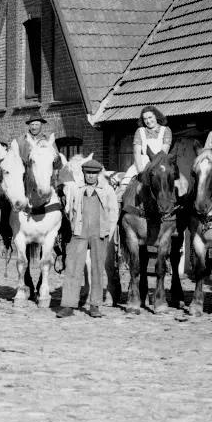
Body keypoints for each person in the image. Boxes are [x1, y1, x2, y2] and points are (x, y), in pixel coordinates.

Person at [58, 160, 118, 318]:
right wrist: (74, 227)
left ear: (98, 174)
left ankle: (95, 305)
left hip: (99, 232)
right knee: (72, 268)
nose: (90, 176)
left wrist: (108, 233)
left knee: (97, 269)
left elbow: (113, 212)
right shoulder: (76, 189)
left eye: (93, 173)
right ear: (83, 173)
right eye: (88, 173)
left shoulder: (107, 190)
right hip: (79, 232)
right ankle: (68, 305)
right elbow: (69, 210)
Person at [131, 105, 172, 173]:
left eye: (150, 117)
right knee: (126, 181)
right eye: (145, 119)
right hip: (142, 163)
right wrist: (140, 171)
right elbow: (137, 153)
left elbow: (164, 151)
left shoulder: (166, 130)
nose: (148, 121)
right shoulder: (140, 131)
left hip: (160, 162)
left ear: (156, 116)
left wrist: (155, 167)